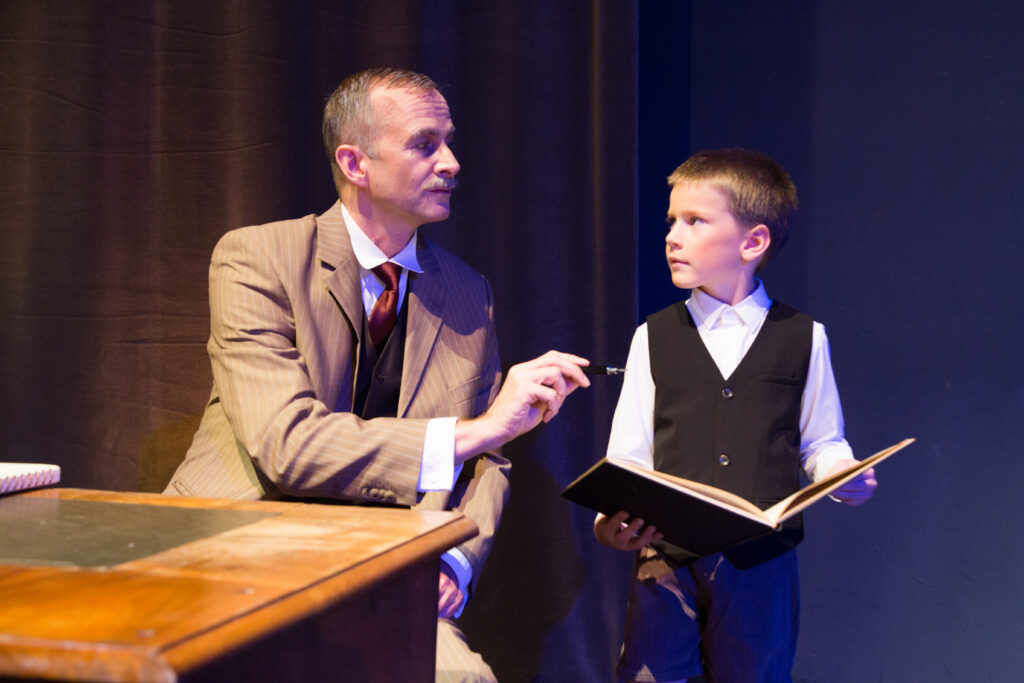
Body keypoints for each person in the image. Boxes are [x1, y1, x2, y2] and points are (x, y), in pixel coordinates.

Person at [163, 67, 590, 682]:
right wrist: (484, 428)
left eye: (449, 141)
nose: (452, 162)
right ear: (355, 163)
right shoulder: (257, 258)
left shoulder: (469, 293)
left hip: (389, 565)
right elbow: (289, 444)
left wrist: (456, 564)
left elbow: (487, 462)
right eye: (425, 143)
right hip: (240, 550)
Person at [594, 148, 877, 683]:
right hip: (665, 559)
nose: (672, 235)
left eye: (695, 221)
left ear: (753, 242)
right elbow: (628, 455)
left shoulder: (803, 337)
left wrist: (842, 474)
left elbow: (821, 441)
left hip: (760, 563)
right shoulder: (652, 336)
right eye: (671, 221)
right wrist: (609, 521)